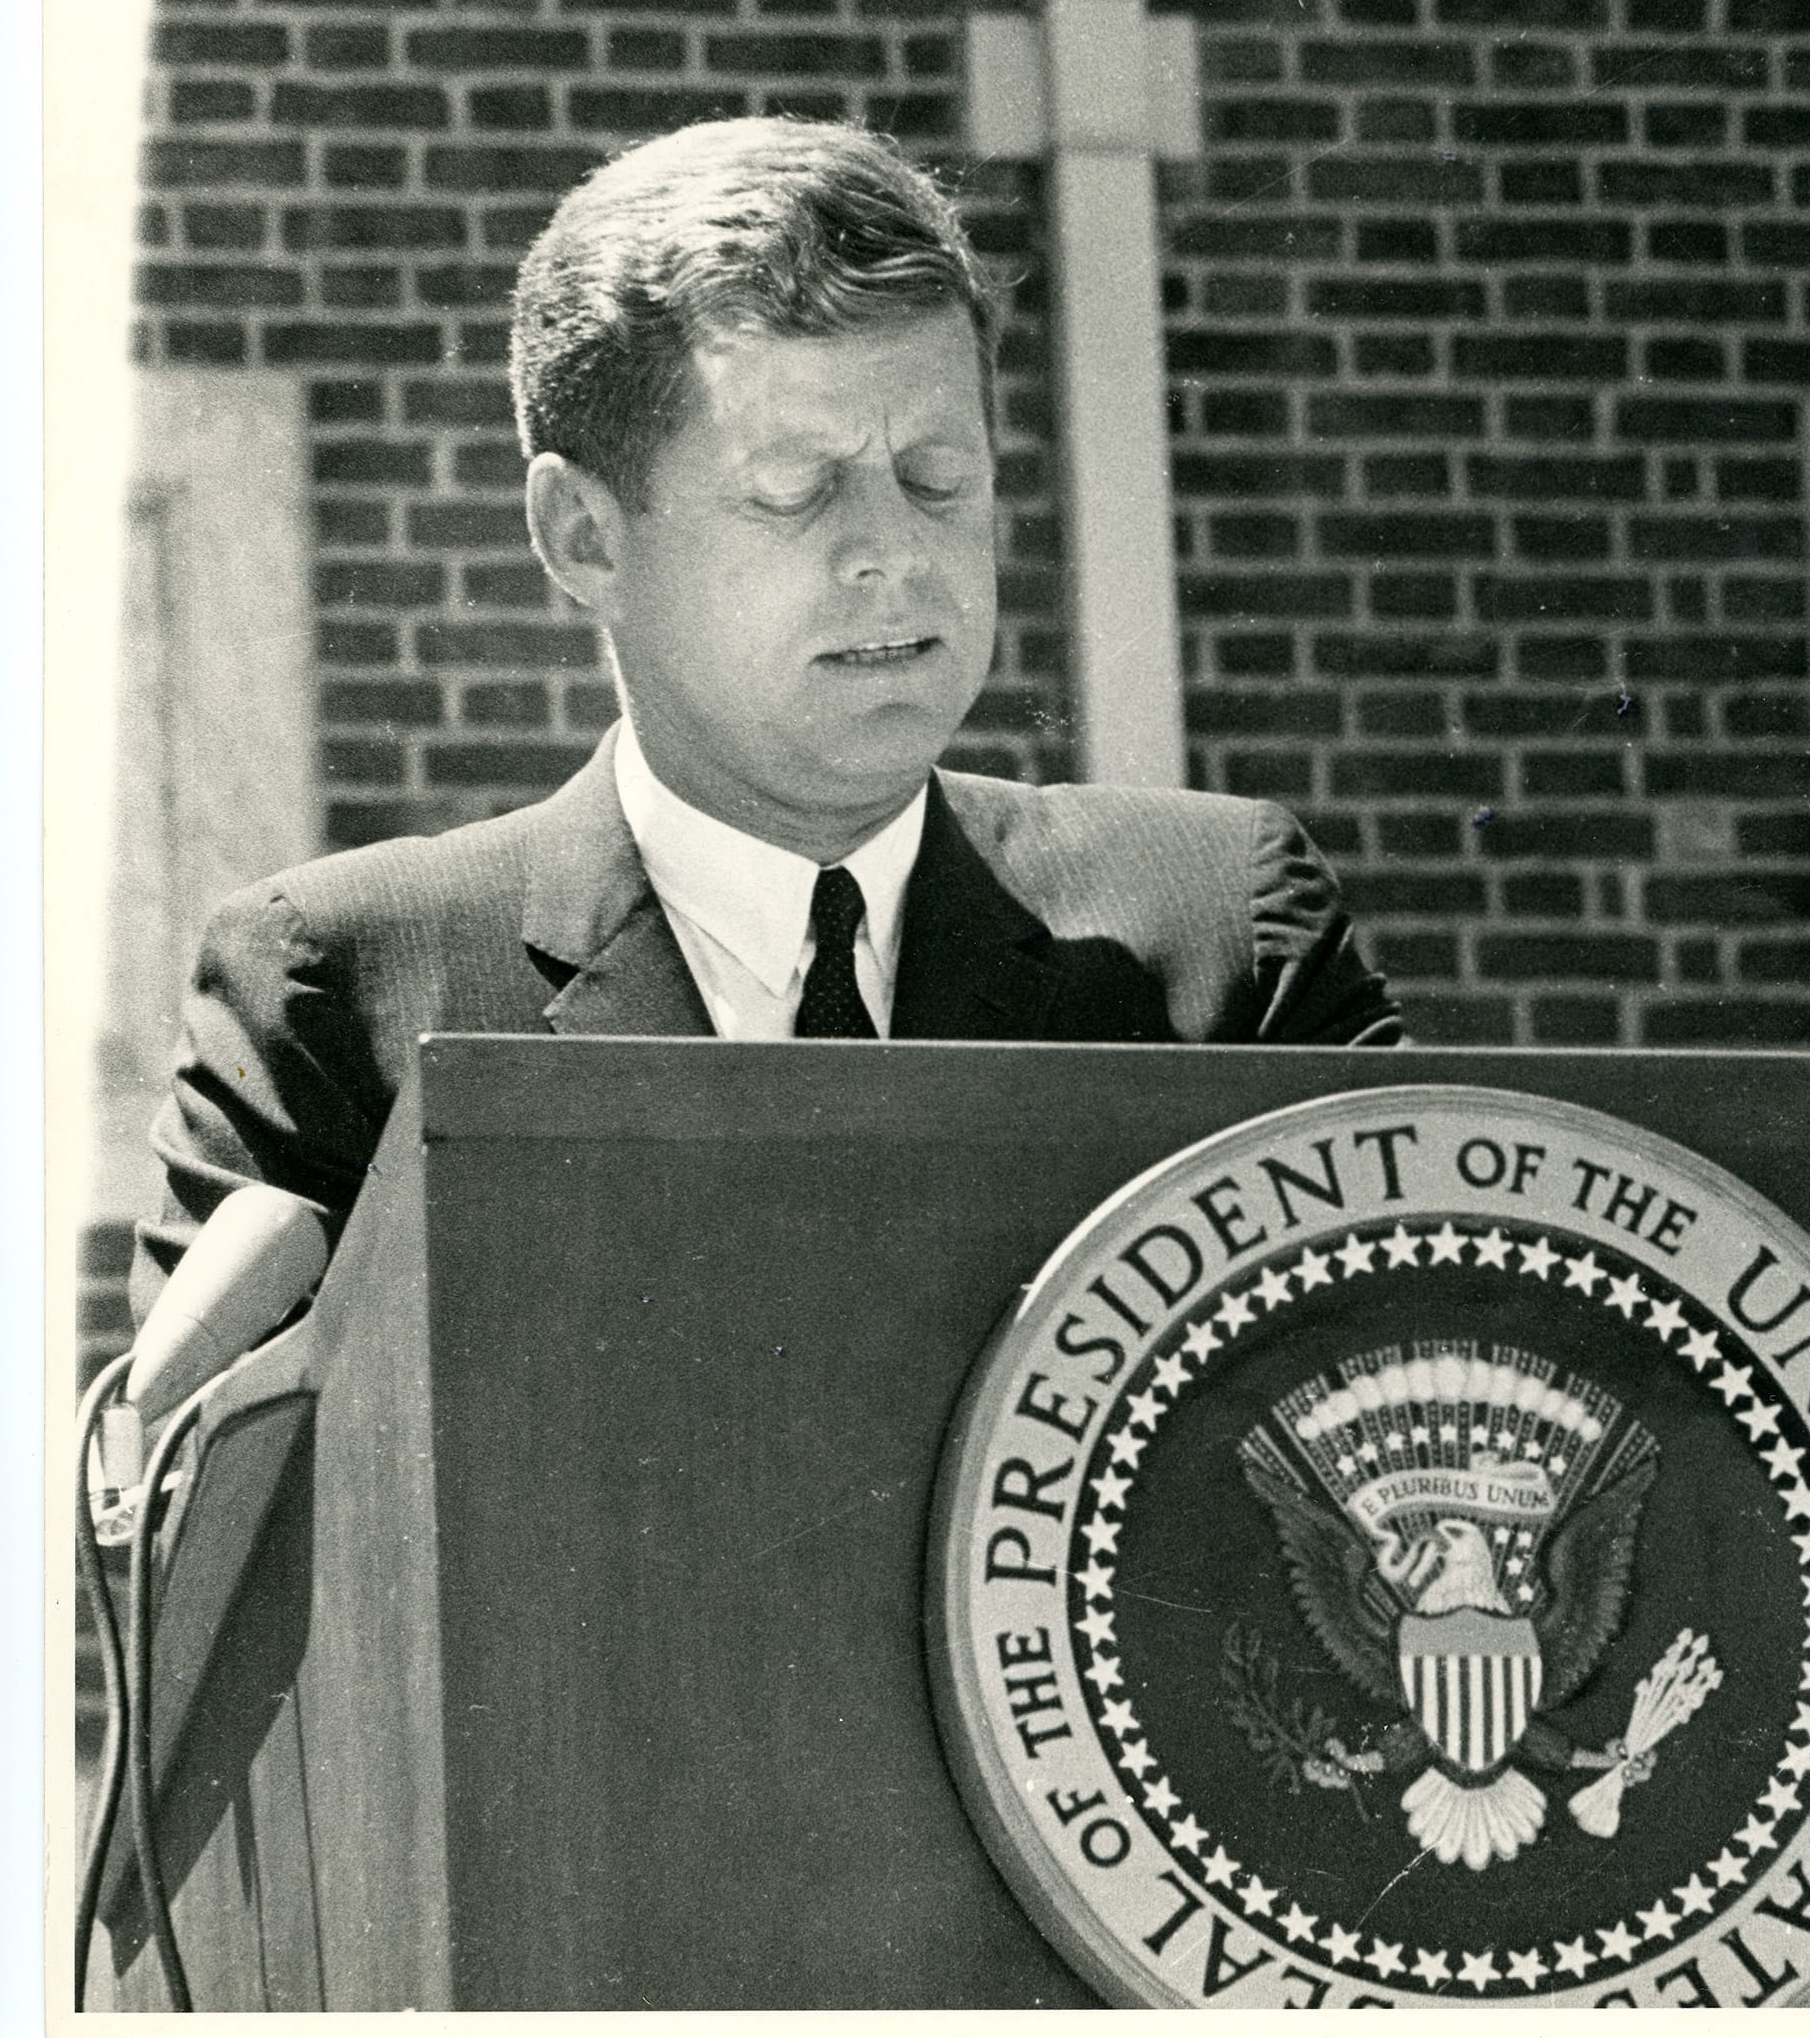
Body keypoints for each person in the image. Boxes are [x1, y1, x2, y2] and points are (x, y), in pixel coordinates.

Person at [131, 117, 1399, 1318]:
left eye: (936, 476)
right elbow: (234, 1521)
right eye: (794, 490)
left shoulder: (1223, 936)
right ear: (581, 534)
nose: (892, 553)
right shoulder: (336, 995)